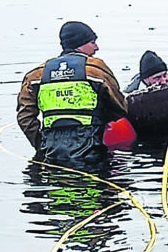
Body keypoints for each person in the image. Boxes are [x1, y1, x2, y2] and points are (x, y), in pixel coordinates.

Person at [17, 21, 128, 166]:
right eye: (93, 42)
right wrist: (103, 120)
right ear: (80, 43)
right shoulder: (95, 69)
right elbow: (120, 107)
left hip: (52, 154)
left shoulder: (36, 75)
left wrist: (41, 145)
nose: (97, 47)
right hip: (91, 152)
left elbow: (24, 116)